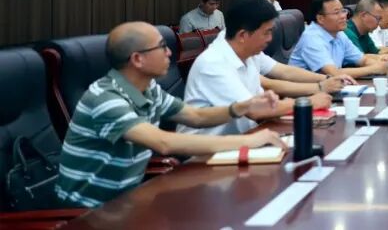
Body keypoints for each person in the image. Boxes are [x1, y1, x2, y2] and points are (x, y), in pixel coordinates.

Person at [55, 22, 284, 208]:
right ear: (137, 59)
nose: (169, 53)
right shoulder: (106, 99)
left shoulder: (148, 88)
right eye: (162, 47)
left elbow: (195, 116)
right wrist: (248, 142)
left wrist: (241, 107)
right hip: (89, 212)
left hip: (128, 201)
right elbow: (163, 142)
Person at [181, 0, 359, 135]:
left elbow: (283, 71)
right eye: (266, 32)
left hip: (246, 138)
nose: (270, 38)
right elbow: (255, 110)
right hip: (208, 156)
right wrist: (308, 102)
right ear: (243, 35)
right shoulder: (214, 63)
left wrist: (325, 80)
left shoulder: (245, 50)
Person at [289, 0, 388, 78]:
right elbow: (333, 73)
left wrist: (381, 65)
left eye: (343, 11)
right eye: (336, 13)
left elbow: (363, 60)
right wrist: (374, 69)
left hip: (330, 87)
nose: (343, 16)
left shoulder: (339, 34)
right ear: (320, 19)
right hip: (304, 91)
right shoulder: (311, 38)